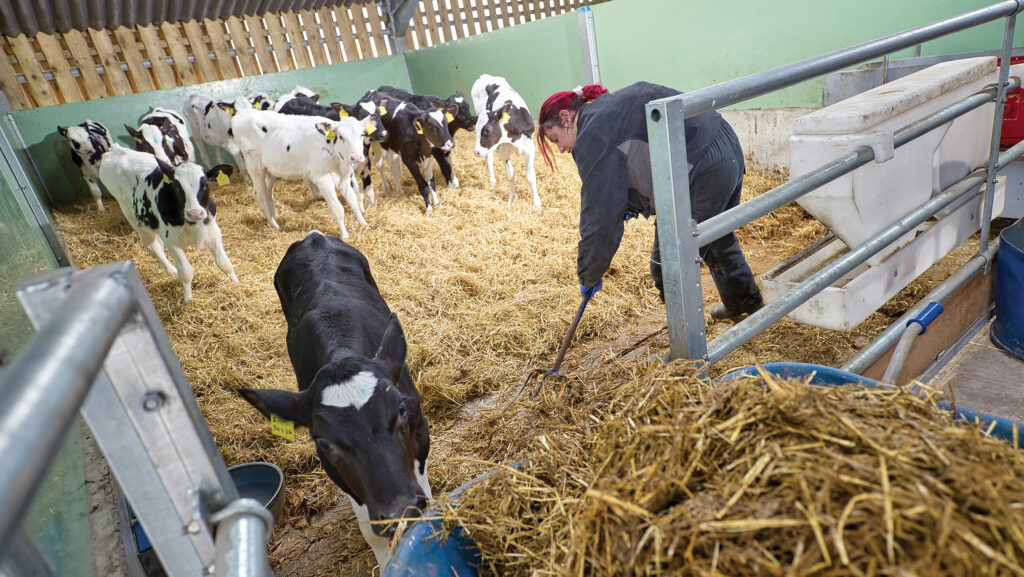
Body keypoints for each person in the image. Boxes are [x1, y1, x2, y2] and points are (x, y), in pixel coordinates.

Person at [536, 82, 763, 320]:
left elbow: (600, 215)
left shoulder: (590, 135)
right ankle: (744, 301)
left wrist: (589, 273)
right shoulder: (603, 113)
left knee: (668, 265)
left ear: (565, 118)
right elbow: (632, 162)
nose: (561, 149)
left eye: (555, 139)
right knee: (712, 235)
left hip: (702, 164)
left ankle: (688, 348)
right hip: (723, 143)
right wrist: (630, 204)